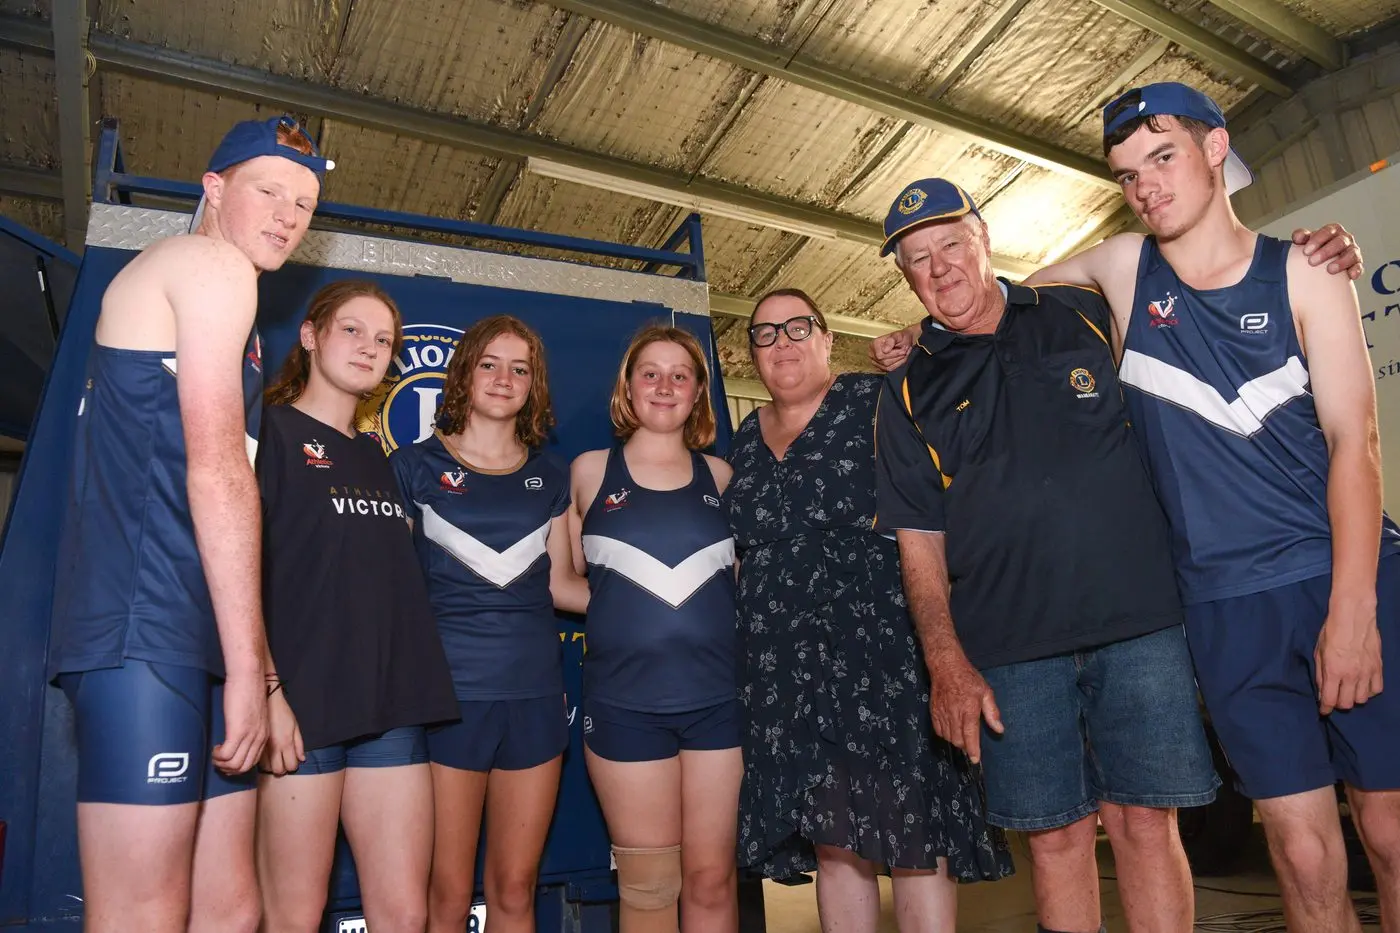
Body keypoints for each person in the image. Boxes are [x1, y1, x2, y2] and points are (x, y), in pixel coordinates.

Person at [967, 82, 1396, 933]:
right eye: (1127, 174)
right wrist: (927, 335)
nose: (1146, 185)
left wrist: (1352, 611)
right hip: (1225, 607)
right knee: (1305, 854)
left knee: (1388, 831)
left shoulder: (1305, 269)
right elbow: (988, 299)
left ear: (1214, 150)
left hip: (1346, 576)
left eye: (1162, 158)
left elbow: (1358, 443)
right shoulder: (1123, 268)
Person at [871, 177, 1222, 933]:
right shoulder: (904, 389)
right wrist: (945, 662)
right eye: (917, 261)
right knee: (1057, 839)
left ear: (984, 236)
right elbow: (919, 540)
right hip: (1009, 649)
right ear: (904, 277)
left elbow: (1199, 272)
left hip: (1139, 623)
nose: (939, 269)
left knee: (1146, 824)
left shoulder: (1085, 313)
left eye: (951, 245)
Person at [46, 115, 328, 933]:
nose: (287, 214)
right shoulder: (209, 266)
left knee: (229, 909)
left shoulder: (214, 295)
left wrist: (260, 671)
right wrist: (249, 671)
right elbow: (217, 471)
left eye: (305, 204)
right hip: (146, 627)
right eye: (268, 190)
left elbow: (227, 511)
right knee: (144, 916)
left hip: (191, 632)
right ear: (213, 188)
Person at [726, 288, 1013, 933]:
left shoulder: (875, 401)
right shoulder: (743, 439)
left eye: (798, 327)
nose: (783, 343)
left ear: (829, 340)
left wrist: (919, 334)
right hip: (785, 672)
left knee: (915, 834)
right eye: (765, 335)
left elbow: (974, 359)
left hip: (883, 651)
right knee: (834, 840)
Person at [253, 280, 460, 933]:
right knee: (295, 914)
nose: (369, 348)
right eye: (352, 329)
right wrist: (266, 690)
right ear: (310, 335)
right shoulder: (269, 431)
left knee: (403, 912)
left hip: (390, 706)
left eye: (383, 339)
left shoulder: (377, 458)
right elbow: (234, 573)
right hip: (301, 705)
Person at [389, 315, 589, 933]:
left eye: (520, 368)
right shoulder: (413, 467)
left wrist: (674, 606)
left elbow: (562, 584)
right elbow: (389, 592)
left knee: (514, 889)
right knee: (446, 895)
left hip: (533, 699)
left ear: (535, 384)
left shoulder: (552, 477)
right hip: (449, 700)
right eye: (489, 364)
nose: (504, 379)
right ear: (464, 372)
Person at [569, 325, 740, 933]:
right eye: (650, 373)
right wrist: (628, 610)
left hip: (718, 705)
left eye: (680, 375)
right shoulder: (590, 471)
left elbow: (736, 582)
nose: (665, 386)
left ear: (698, 393)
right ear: (628, 388)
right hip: (625, 706)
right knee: (648, 890)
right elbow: (562, 581)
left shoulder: (722, 477)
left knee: (713, 880)